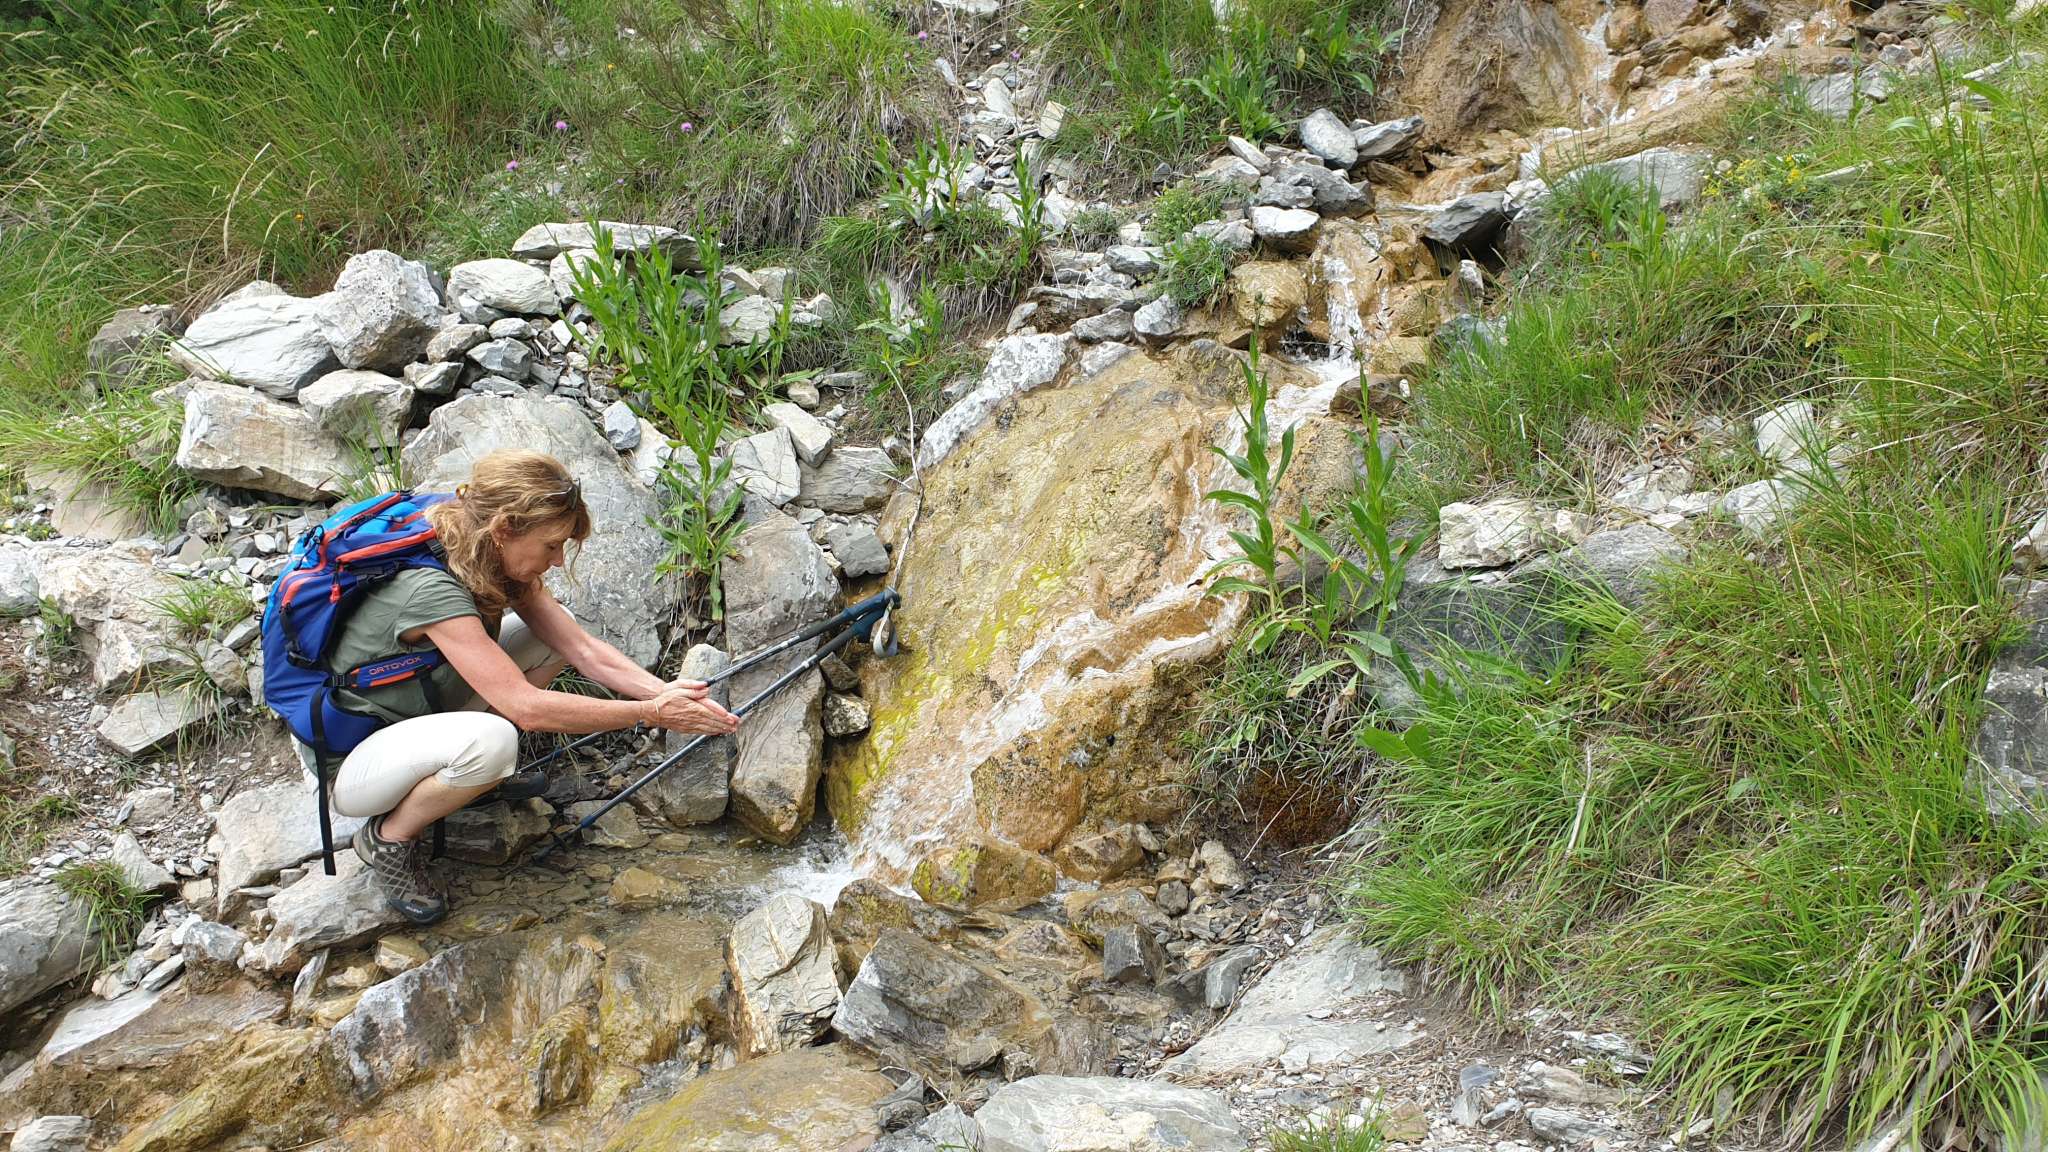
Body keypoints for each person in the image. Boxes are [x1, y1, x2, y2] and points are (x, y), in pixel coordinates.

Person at [320, 449, 739, 923]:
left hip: (415, 717)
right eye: (551, 545)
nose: (558, 560)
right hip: (353, 763)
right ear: (504, 529)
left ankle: (471, 779)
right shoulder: (430, 590)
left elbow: (582, 649)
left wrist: (666, 693)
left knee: (550, 638)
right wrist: (649, 714)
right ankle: (388, 837)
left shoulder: (486, 551)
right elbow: (527, 709)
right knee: (495, 740)